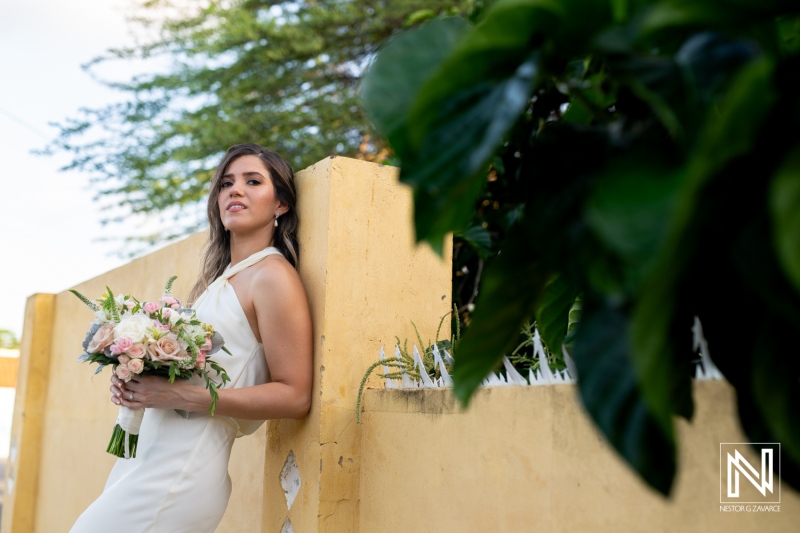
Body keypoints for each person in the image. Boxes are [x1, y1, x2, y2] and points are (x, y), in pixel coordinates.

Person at [71, 144, 313, 532]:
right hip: (147, 455)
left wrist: (186, 396)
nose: (235, 190)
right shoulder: (221, 281)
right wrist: (140, 379)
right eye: (227, 183)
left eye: (253, 181)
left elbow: (296, 394)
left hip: (184, 466)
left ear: (280, 204)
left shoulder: (272, 276)